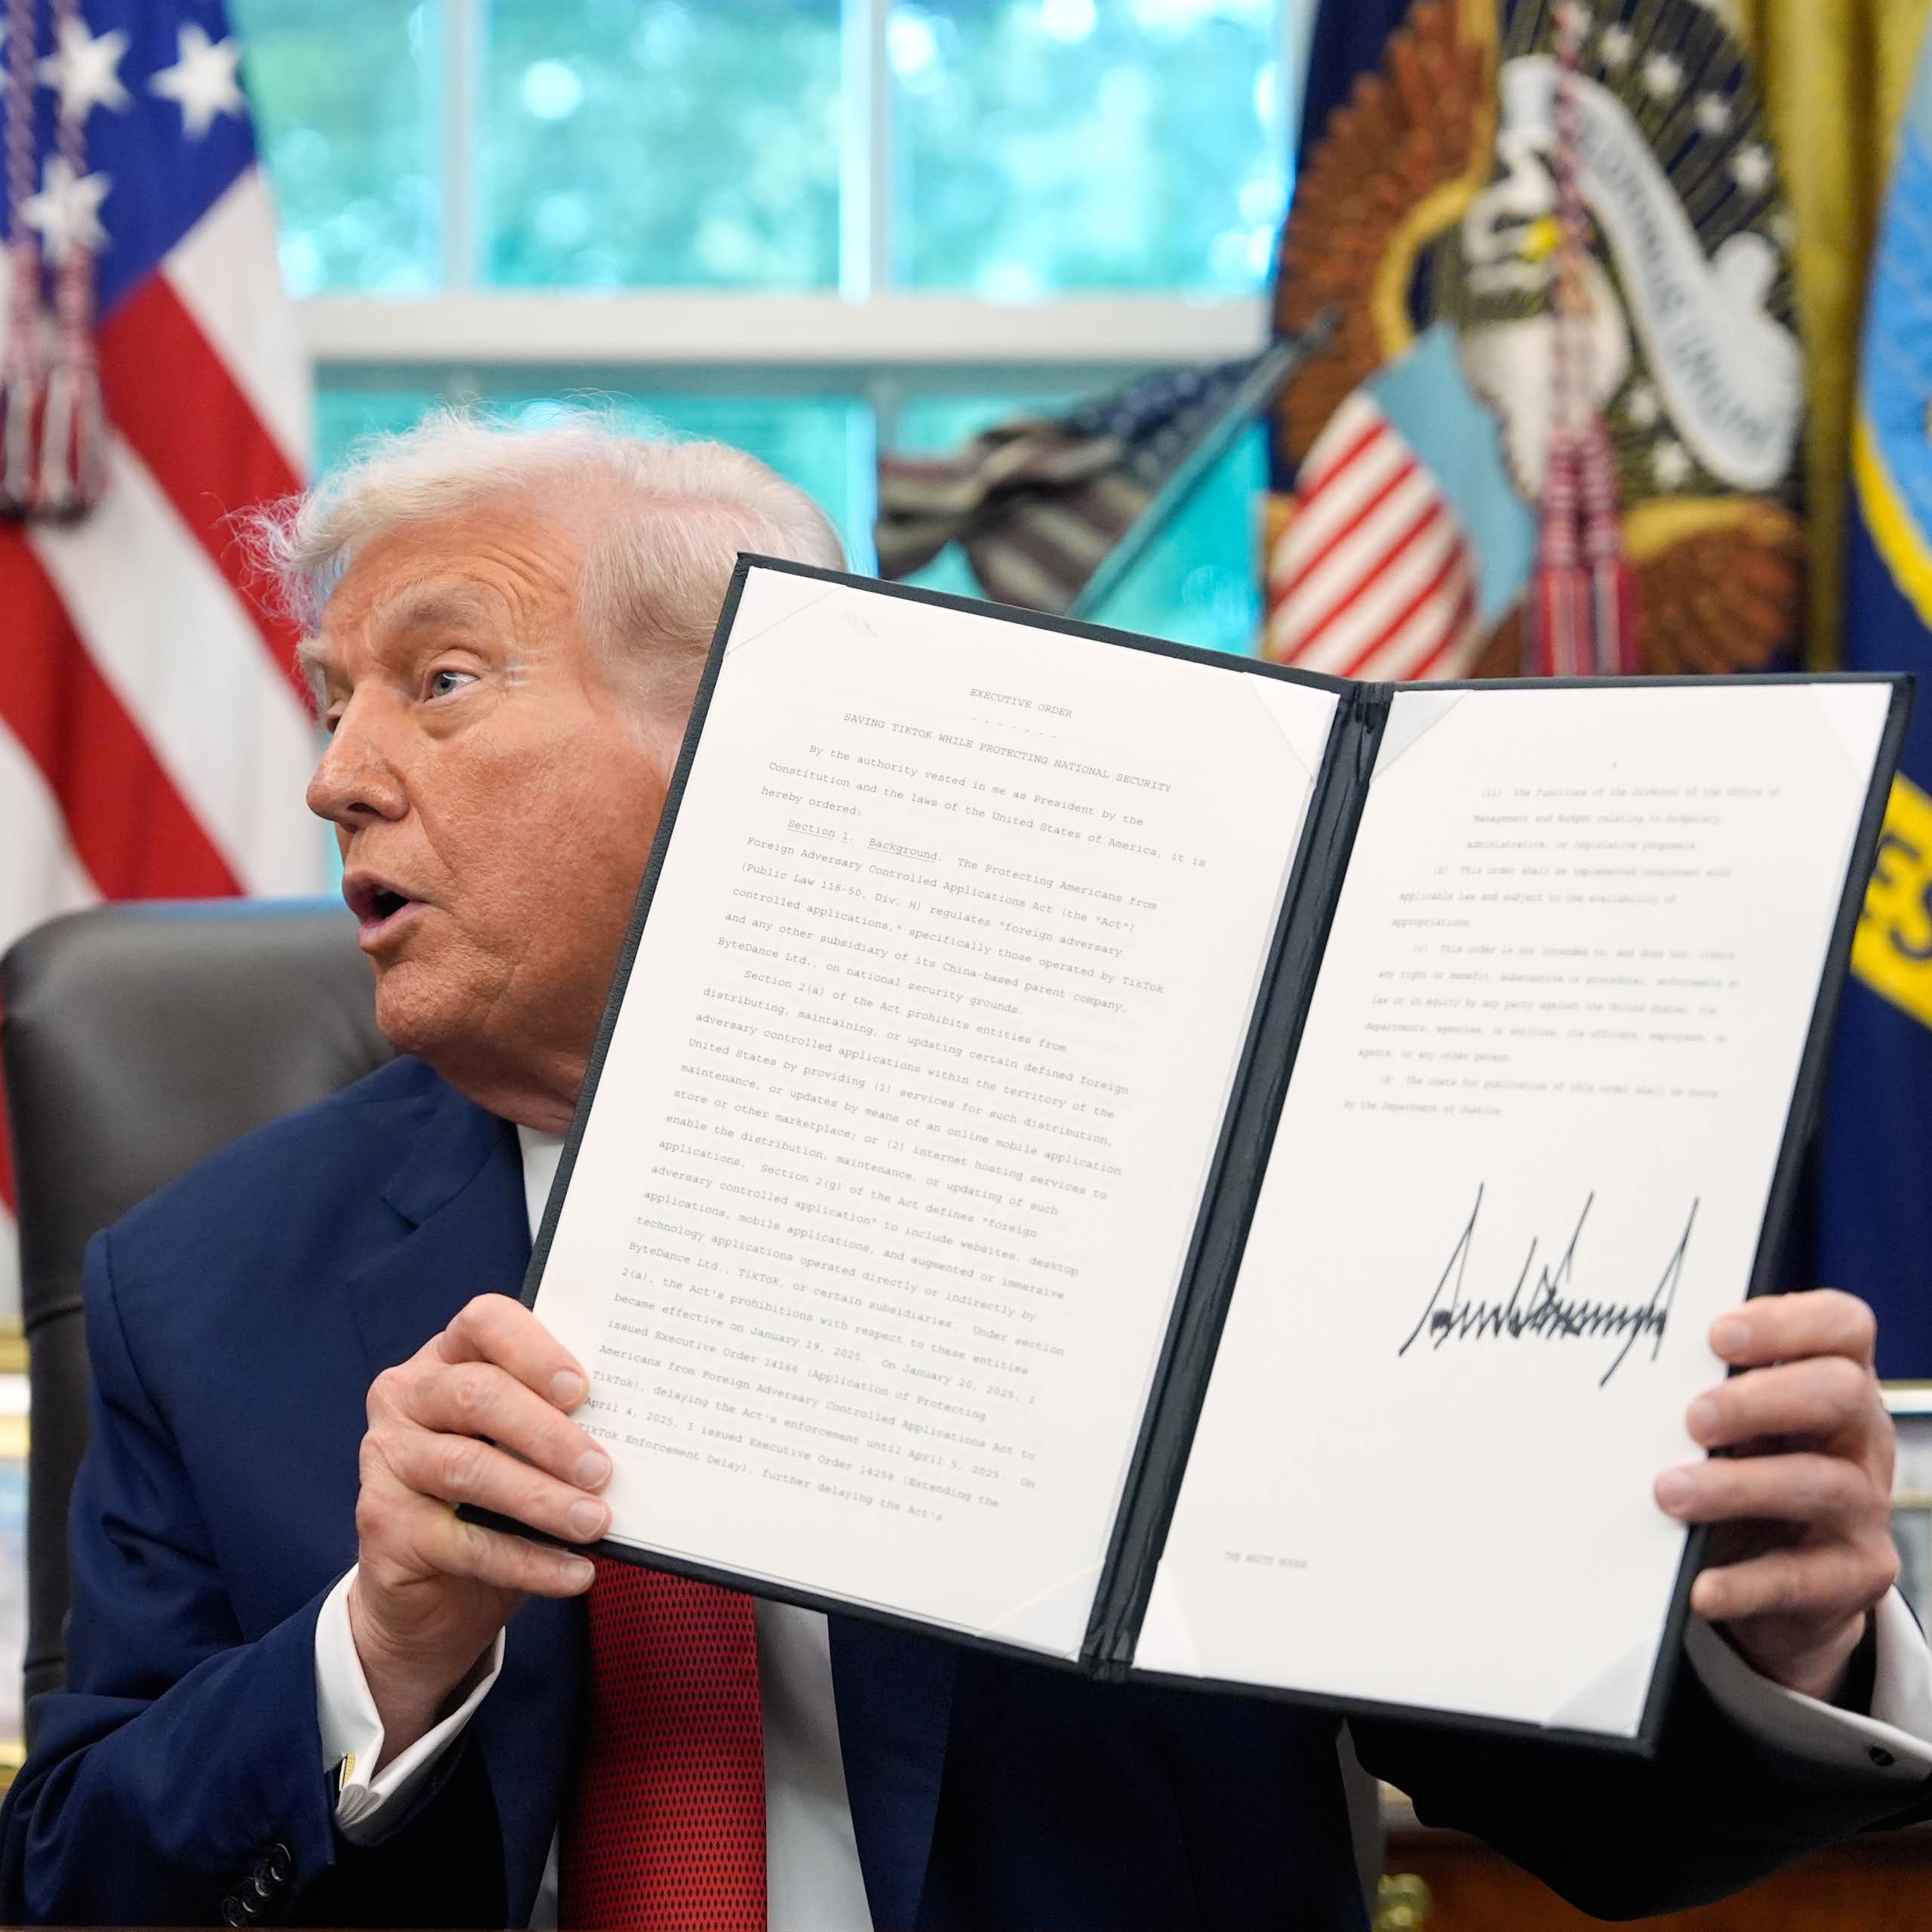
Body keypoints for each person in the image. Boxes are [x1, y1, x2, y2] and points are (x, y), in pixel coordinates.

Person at [3, 413, 1929, 1932]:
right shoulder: (202, 1277)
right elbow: (79, 1871)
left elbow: (1603, 1830)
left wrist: (1787, 1635)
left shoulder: (1205, 1186)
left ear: (759, 731)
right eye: (328, 694)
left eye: (433, 683)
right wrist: (380, 1645)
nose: (336, 768)